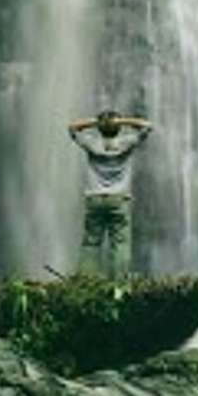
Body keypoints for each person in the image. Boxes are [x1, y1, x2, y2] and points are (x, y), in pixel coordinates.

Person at [68, 109, 153, 276]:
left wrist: (98, 121)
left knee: (91, 243)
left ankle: (86, 280)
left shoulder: (92, 143)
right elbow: (147, 126)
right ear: (118, 129)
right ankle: (119, 282)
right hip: (119, 198)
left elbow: (71, 128)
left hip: (95, 197)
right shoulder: (127, 142)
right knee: (120, 243)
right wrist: (121, 121)